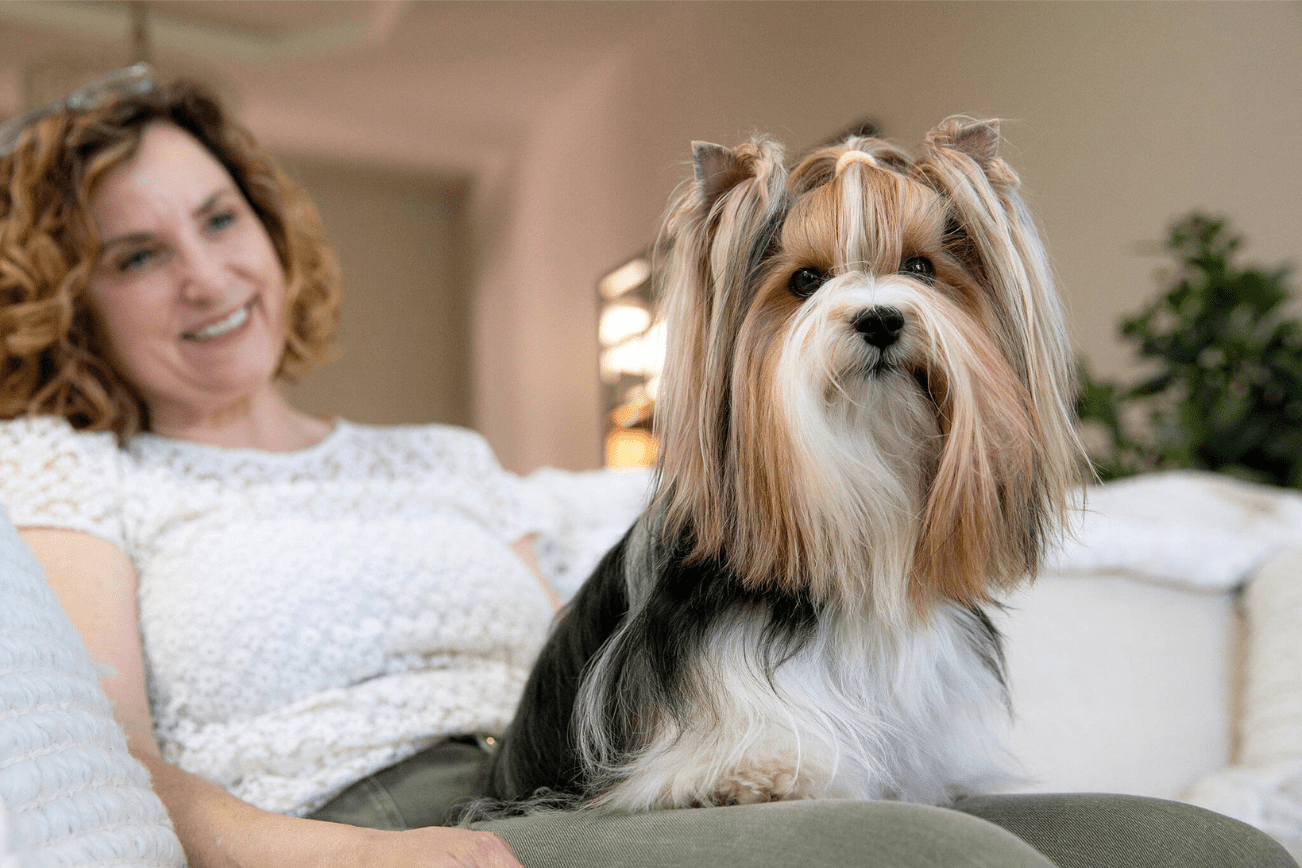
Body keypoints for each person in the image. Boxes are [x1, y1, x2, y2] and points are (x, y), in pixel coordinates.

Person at [0, 65, 1293, 868]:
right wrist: (337, 861)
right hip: (365, 828)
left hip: (556, 782)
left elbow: (599, 658)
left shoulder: (442, 459)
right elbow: (99, 757)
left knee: (1199, 854)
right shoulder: (76, 475)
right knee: (936, 865)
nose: (207, 273)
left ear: (268, 229)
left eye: (220, 218)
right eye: (136, 254)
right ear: (71, 296)